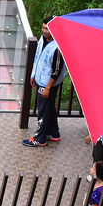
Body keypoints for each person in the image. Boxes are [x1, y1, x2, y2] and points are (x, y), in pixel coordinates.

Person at [22, 17, 65, 147]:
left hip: (48, 84)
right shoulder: (43, 39)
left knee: (42, 110)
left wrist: (47, 88)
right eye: (43, 28)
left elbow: (56, 71)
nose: (44, 31)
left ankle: (40, 138)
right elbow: (38, 57)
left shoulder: (57, 47)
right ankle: (54, 133)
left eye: (47, 29)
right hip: (41, 79)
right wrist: (34, 74)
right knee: (49, 107)